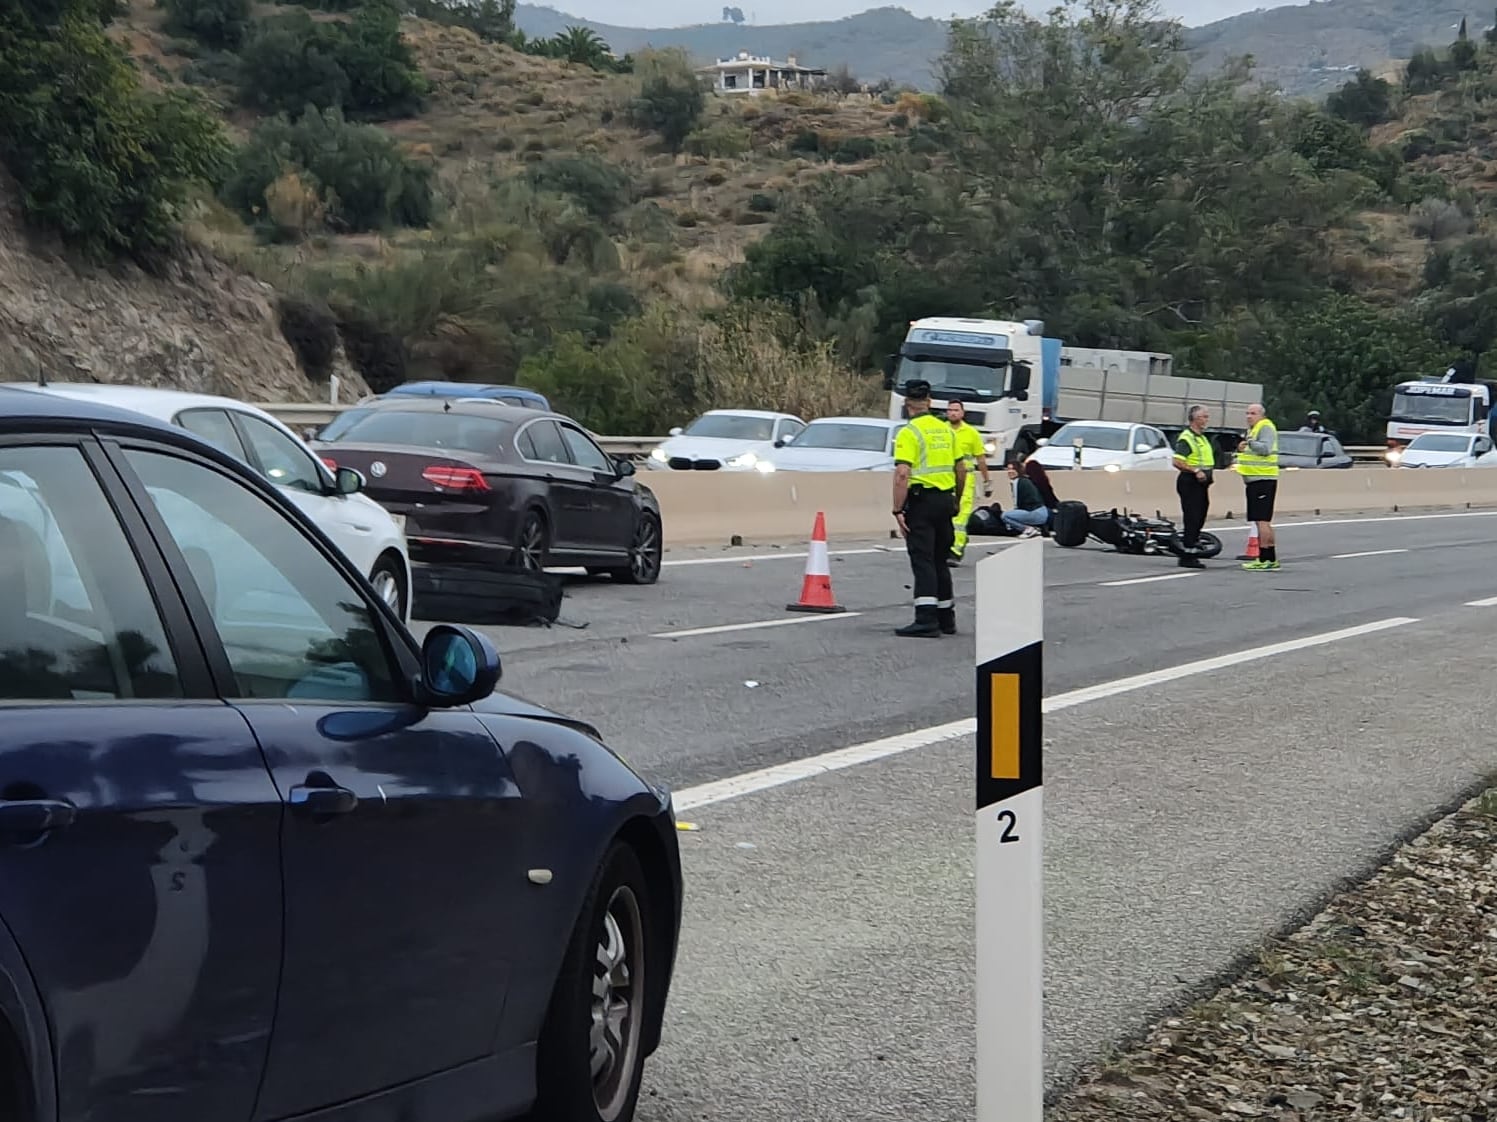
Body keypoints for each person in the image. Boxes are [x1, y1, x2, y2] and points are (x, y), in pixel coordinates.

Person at [892, 380, 966, 637]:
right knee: (939, 560)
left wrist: (897, 510)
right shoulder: (947, 431)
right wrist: (956, 497)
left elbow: (903, 474)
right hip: (945, 501)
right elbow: (961, 468)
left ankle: (926, 620)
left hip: (922, 502)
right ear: (930, 401)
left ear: (906, 404)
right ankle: (947, 618)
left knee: (923, 560)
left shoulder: (909, 433)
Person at [946, 400, 992, 564]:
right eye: (950, 410)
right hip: (946, 476)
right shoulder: (942, 431)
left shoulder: (971, 433)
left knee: (961, 515)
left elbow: (980, 459)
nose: (952, 413)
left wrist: (987, 481)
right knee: (946, 515)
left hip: (966, 477)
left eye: (956, 410)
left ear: (962, 413)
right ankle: (951, 543)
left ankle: (955, 551)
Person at [1237, 402, 1280, 571]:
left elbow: (1266, 449)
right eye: (1247, 413)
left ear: (1262, 414)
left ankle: (1264, 558)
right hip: (1256, 479)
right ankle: (1270, 558)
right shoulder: (1255, 429)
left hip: (1262, 479)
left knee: (1262, 521)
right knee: (1263, 520)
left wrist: (1250, 442)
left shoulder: (1265, 427)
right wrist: (1243, 448)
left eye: (1253, 413)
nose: (1249, 416)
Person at [1171, 404, 1215, 569]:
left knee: (1200, 516)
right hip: (1190, 482)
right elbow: (1177, 461)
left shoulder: (1201, 438)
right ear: (1196, 419)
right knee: (1192, 517)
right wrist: (1195, 470)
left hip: (1201, 484)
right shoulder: (1187, 438)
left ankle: (1191, 548)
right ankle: (1187, 556)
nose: (1206, 419)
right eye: (1204, 416)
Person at [999, 458, 1047, 537]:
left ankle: (1027, 529)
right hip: (1042, 512)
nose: (1010, 471)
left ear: (1018, 470)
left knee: (1005, 515)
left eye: (1013, 469)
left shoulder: (1017, 482)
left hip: (1035, 512)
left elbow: (1017, 503)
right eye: (1008, 469)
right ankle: (1034, 528)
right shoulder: (1026, 480)